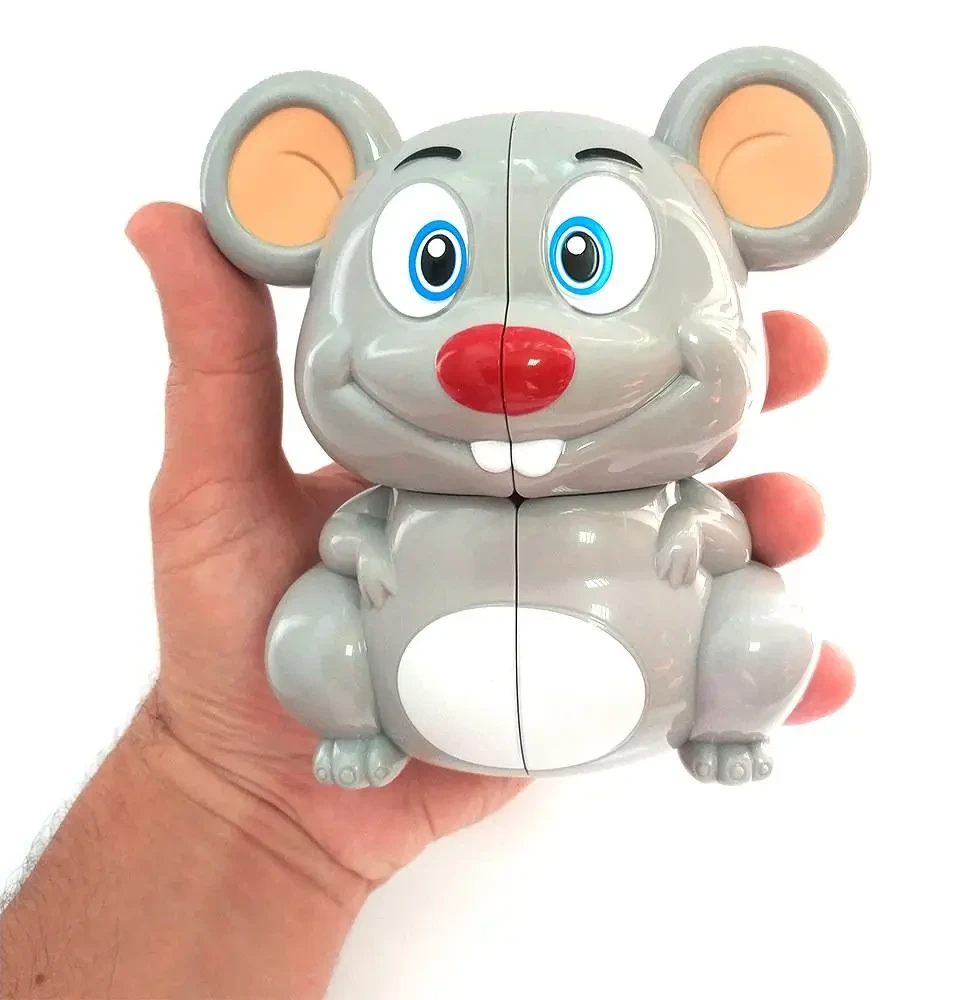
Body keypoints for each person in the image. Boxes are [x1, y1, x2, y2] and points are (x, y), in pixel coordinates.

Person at [0, 202, 855, 999]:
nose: (510, 351)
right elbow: (346, 536)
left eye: (585, 263)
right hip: (400, 684)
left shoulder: (669, 490)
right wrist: (227, 774)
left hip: (661, 685)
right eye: (436, 266)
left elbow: (725, 536)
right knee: (307, 629)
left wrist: (699, 532)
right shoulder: (392, 497)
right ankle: (354, 727)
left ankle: (727, 725)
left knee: (765, 628)